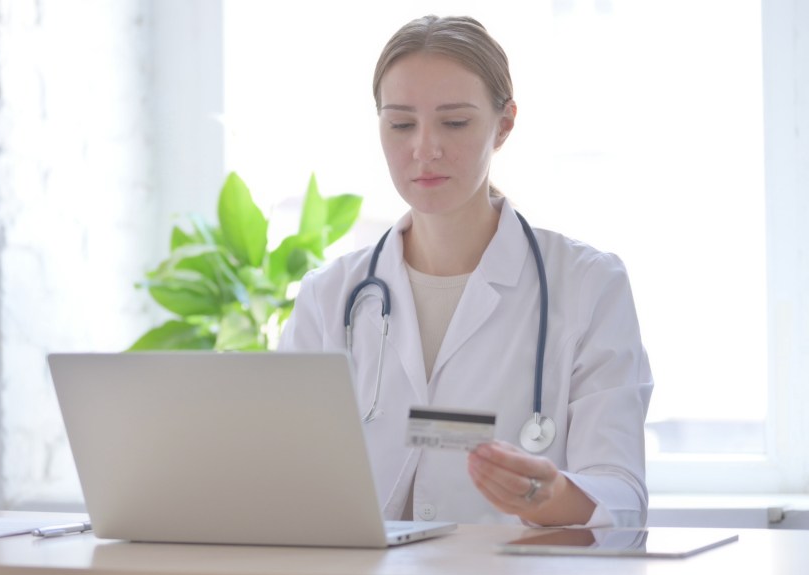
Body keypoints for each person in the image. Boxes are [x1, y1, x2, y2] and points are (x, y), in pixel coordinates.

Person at [278, 15, 653, 528]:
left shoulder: (588, 285)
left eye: (454, 122)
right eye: (401, 124)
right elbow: (283, 476)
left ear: (504, 125)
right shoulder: (329, 298)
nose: (424, 149)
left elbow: (621, 491)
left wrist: (551, 496)